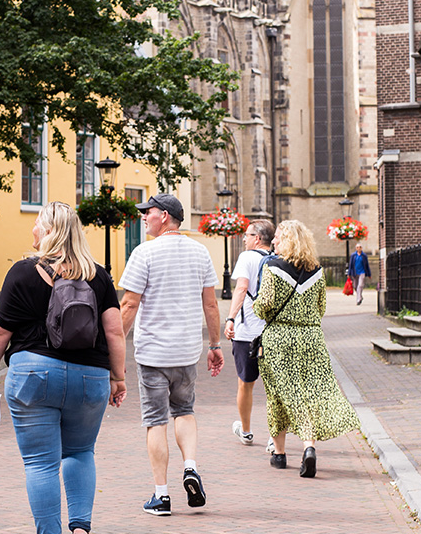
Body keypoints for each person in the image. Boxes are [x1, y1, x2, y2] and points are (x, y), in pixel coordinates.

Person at [0, 201, 127, 534]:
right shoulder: (100, 276)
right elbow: (115, 332)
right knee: (80, 452)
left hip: (34, 375)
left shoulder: (22, 273)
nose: (32, 230)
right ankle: (81, 528)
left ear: (47, 231)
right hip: (90, 377)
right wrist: (118, 377)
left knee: (40, 463)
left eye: (37, 225)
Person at [119, 193, 224, 516]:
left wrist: (114, 347)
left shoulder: (144, 253)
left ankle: (161, 495)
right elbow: (210, 304)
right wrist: (215, 346)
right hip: (187, 351)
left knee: (155, 421)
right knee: (184, 410)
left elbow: (129, 304)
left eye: (147, 213)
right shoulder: (200, 252)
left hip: (153, 353)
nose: (143, 218)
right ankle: (190, 467)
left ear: (164, 216)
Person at [254, 220, 361, 478]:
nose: (275, 241)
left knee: (280, 394)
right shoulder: (317, 271)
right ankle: (308, 446)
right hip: (311, 337)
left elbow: (265, 303)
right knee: (309, 393)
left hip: (279, 338)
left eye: (278, 237)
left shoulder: (272, 268)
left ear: (288, 240)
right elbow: (321, 307)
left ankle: (280, 454)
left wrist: (257, 306)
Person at [224, 219, 275, 446]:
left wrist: (231, 318)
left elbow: (241, 288)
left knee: (245, 382)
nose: (243, 238)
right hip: (273, 332)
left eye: (247, 235)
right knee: (275, 385)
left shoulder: (247, 257)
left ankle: (245, 431)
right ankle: (276, 438)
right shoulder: (278, 260)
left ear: (257, 238)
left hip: (248, 333)